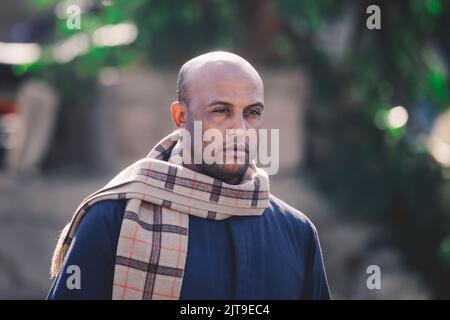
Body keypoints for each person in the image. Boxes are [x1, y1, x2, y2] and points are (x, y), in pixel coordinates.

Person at [48, 51, 330, 300]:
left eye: (252, 113)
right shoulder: (114, 219)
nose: (240, 129)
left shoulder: (297, 233)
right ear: (181, 116)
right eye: (221, 111)